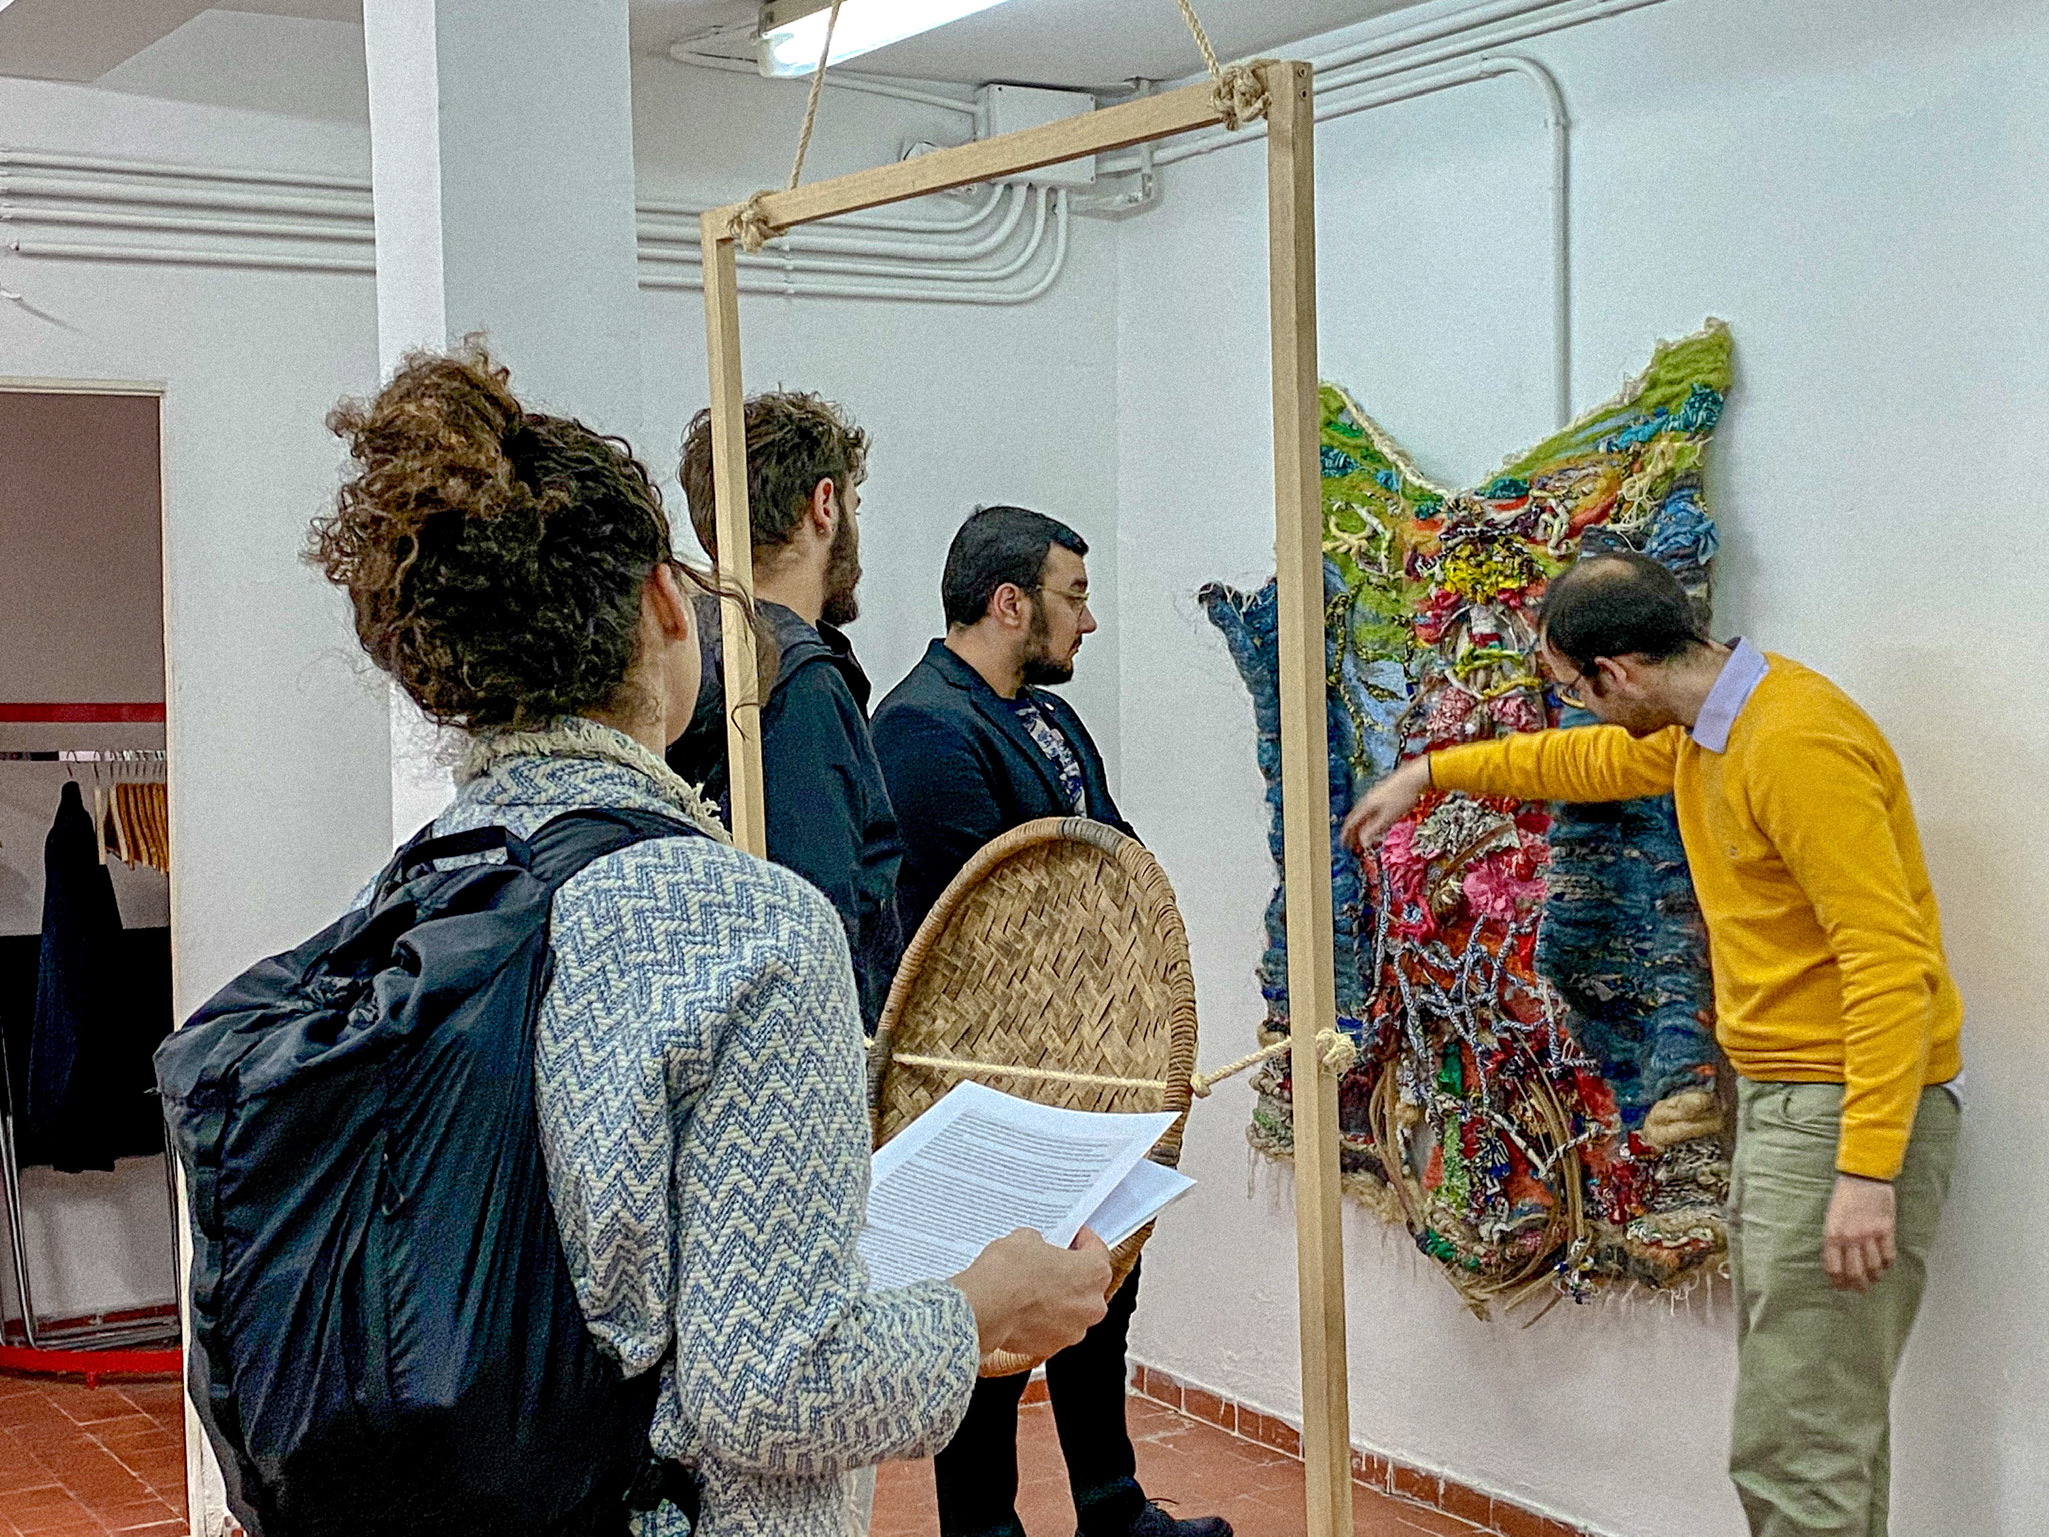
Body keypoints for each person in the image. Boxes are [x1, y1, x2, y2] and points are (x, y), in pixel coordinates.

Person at [310, 347, 1114, 1537]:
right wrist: (986, 1306)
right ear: (662, 604)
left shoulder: (411, 889)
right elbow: (772, 1387)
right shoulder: (751, 932)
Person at [1340, 551, 1962, 1537]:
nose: (1571, 707)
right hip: (1795, 1104)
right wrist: (1429, 772)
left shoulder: (1793, 741)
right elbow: (1578, 764)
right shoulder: (1708, 733)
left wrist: (1864, 1167)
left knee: (1796, 1450)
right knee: (1820, 1433)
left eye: (1570, 688)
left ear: (1615, 673)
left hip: (1840, 1110)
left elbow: (1890, 963)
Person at [872, 505, 1229, 1537]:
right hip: (982, 1075)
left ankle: (1111, 1508)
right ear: (1009, 602)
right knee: (992, 1307)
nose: (1089, 619)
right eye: (1074, 596)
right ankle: (982, 1527)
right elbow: (999, 916)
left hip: (1086, 1056)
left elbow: (1110, 852)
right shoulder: (920, 726)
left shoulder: (1049, 716)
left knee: (1097, 1280)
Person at [668, 391, 903, 1031]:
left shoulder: (680, 661)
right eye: (853, 506)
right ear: (824, 505)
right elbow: (818, 934)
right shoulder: (798, 687)